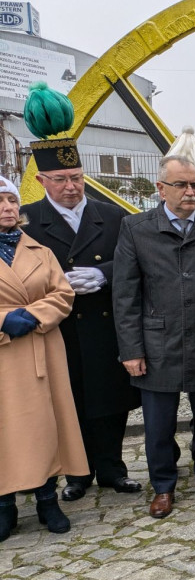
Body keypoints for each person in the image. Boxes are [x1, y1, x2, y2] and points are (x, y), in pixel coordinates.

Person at [21, 82, 142, 502]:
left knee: (110, 401)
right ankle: (77, 473)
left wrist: (104, 273)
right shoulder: (26, 221)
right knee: (67, 402)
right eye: (61, 179)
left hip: (105, 325)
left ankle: (113, 468)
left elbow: (135, 262)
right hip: (59, 330)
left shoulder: (113, 216)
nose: (71, 186)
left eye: (76, 177)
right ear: (42, 180)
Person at [113, 155, 195, 518]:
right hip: (158, 343)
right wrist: (131, 350)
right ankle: (164, 486)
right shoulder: (135, 229)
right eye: (181, 185)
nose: (190, 192)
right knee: (158, 425)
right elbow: (125, 295)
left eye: (194, 185)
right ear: (160, 188)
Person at [0, 175, 88, 540]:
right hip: (4, 353)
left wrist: (35, 315)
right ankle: (4, 504)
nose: (7, 209)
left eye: (11, 202)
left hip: (41, 348)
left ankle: (46, 499)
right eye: (0, 203)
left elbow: (62, 293)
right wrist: (4, 319)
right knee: (5, 430)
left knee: (45, 424)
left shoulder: (39, 250)